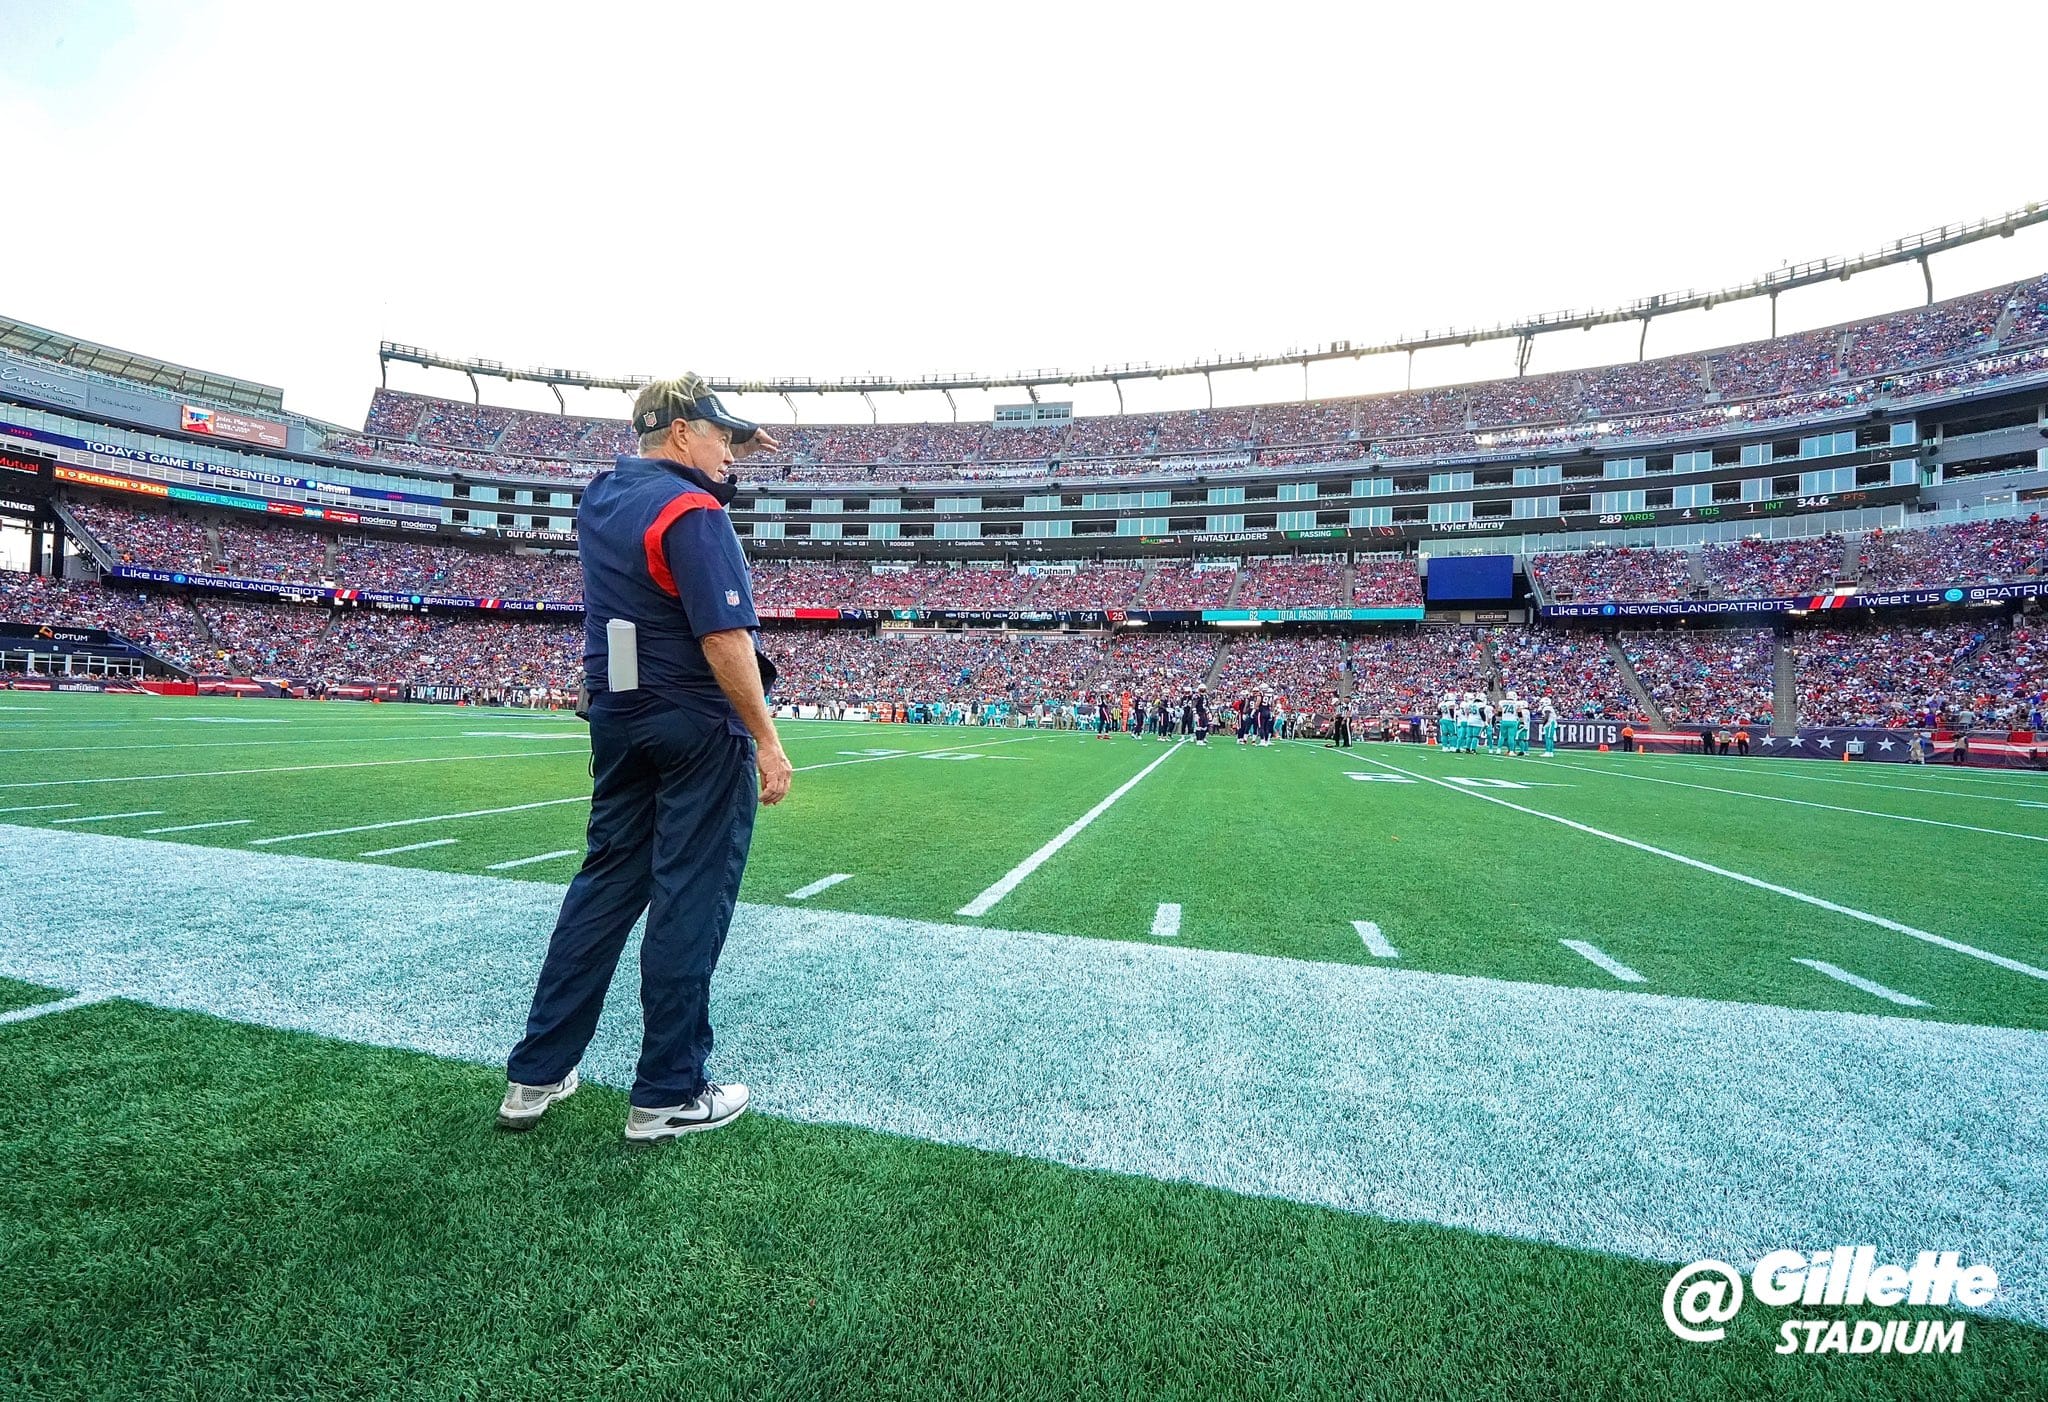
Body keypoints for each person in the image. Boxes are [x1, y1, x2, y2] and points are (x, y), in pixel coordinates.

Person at [501, 374, 789, 1143]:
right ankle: (667, 1090)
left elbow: (655, 468)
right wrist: (766, 739)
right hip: (694, 721)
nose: (731, 453)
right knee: (688, 899)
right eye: (720, 437)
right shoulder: (694, 515)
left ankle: (535, 1073)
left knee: (601, 890)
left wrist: (734, 439)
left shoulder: (602, 496)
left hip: (617, 715)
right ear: (683, 435)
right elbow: (726, 639)